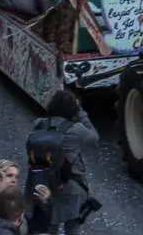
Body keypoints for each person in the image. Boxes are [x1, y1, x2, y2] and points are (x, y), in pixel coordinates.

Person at [25, 89, 96, 235]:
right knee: (73, 227)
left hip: (44, 184)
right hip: (70, 185)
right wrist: (81, 112)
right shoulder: (76, 129)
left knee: (49, 226)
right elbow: (94, 137)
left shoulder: (39, 124)